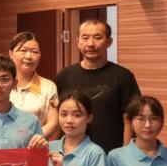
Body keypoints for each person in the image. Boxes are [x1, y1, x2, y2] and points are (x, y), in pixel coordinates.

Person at [55, 19, 139, 153]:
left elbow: (131, 119)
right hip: (71, 154)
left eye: (97, 37)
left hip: (110, 153)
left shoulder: (123, 76)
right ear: (77, 42)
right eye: (85, 38)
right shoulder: (64, 75)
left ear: (109, 42)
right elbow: (57, 116)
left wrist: (125, 154)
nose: (90, 44)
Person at [9, 31, 60, 139]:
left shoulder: (49, 87)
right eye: (23, 51)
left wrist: (31, 139)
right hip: (3, 145)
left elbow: (53, 122)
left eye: (34, 52)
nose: (29, 56)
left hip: (36, 144)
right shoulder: (1, 85)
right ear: (11, 54)